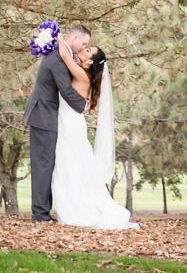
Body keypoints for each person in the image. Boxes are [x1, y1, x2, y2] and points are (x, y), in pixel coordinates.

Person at [52, 37, 138, 229]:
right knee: (74, 166)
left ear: (90, 61)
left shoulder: (83, 76)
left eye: (88, 50)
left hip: (71, 125)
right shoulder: (82, 73)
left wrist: (54, 33)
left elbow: (65, 55)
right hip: (69, 123)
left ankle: (77, 208)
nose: (83, 50)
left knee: (70, 165)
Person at [23, 22, 93, 222]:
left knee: (48, 163)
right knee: (43, 164)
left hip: (48, 115)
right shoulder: (57, 59)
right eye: (84, 43)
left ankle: (44, 210)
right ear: (75, 38)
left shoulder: (62, 55)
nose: (84, 47)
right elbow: (66, 90)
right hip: (43, 115)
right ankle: (40, 214)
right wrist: (83, 106)